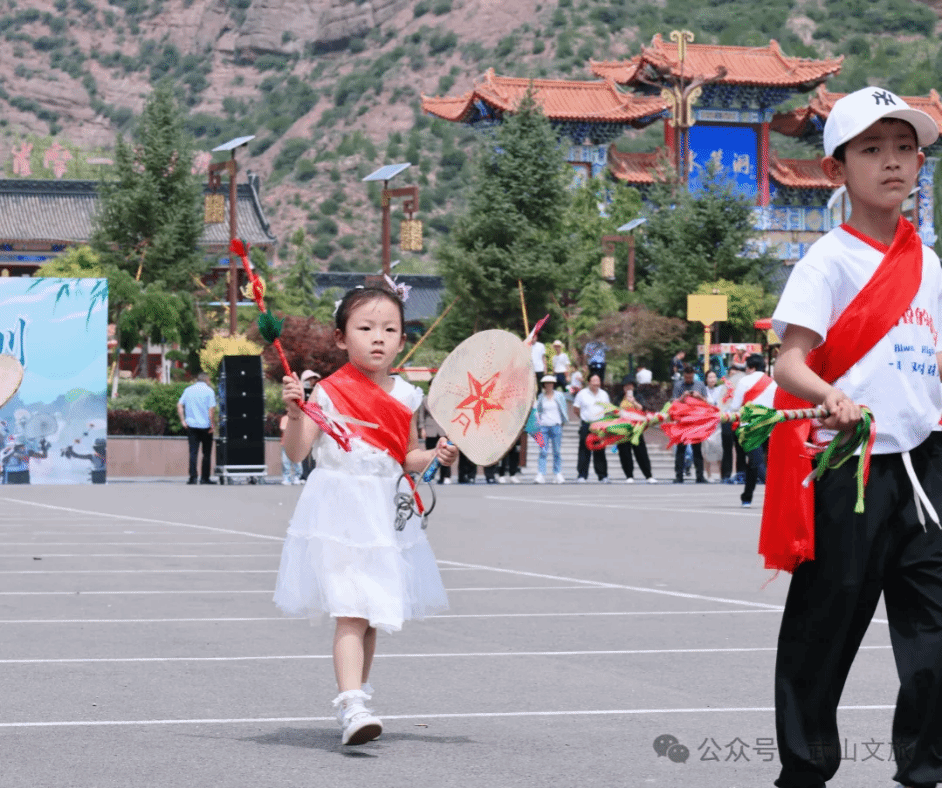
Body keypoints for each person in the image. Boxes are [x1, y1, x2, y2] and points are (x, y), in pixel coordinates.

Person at [761, 87, 942, 788]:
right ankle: (805, 769)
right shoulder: (827, 261)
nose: (892, 162)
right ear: (837, 170)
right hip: (849, 464)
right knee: (825, 624)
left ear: (919, 163)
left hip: (925, 467)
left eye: (904, 148)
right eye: (872, 149)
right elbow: (789, 362)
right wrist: (828, 395)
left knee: (934, 629)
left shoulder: (930, 265)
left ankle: (924, 767)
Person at [274, 286, 458, 747]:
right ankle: (352, 704)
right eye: (366, 328)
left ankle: (358, 696)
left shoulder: (408, 396)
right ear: (341, 338)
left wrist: (436, 454)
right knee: (352, 611)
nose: (379, 338)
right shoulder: (328, 391)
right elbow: (296, 452)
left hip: (384, 511)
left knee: (371, 612)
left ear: (402, 340)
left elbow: (408, 456)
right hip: (339, 512)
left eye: (390, 329)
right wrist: (295, 411)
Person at [728, 354, 776, 507]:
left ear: (751, 367)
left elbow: (735, 406)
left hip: (750, 427)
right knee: (754, 463)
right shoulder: (773, 382)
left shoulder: (744, 381)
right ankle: (746, 497)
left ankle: (775, 493)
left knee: (757, 462)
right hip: (769, 427)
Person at [176, 372, 217, 485]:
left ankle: (193, 478)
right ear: (206, 380)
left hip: (192, 426)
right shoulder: (209, 391)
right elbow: (211, 411)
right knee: (206, 453)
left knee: (193, 452)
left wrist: (183, 420)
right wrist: (212, 425)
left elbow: (179, 405)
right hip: (205, 426)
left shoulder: (188, 390)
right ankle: (205, 478)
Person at [671, 365, 708, 484]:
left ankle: (700, 476)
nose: (688, 379)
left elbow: (707, 402)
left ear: (693, 375)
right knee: (680, 449)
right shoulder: (678, 385)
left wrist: (699, 396)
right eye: (686, 377)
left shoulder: (700, 385)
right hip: (682, 421)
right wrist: (682, 397)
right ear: (683, 376)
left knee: (697, 449)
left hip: (696, 420)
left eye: (690, 377)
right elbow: (673, 402)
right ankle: (679, 476)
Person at [616, 378, 656, 484]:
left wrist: (633, 401)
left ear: (633, 387)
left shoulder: (638, 396)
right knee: (624, 453)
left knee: (641, 452)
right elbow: (614, 410)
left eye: (630, 386)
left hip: (636, 429)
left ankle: (648, 475)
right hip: (623, 429)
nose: (628, 388)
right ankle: (629, 475)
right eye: (626, 386)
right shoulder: (619, 397)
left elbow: (643, 409)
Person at [573, 373, 610, 482]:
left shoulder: (604, 394)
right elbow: (576, 409)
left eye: (598, 381)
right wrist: (584, 418)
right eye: (593, 381)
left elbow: (608, 409)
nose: (596, 383)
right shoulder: (582, 394)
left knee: (600, 450)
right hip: (587, 424)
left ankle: (602, 475)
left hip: (600, 425)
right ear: (589, 382)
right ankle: (582, 475)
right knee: (584, 450)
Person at [534, 374, 568, 484]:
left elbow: (563, 409)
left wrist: (562, 422)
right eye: (547, 384)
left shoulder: (559, 396)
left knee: (557, 451)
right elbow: (538, 411)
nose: (549, 385)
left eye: (551, 383)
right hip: (544, 426)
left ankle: (558, 473)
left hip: (556, 425)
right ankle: (541, 474)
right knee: (543, 451)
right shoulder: (541, 397)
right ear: (544, 385)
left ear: (554, 385)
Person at [418, 390, 451, 485]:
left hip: (442, 430)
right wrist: (422, 428)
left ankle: (445, 476)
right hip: (430, 429)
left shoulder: (446, 399)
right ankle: (429, 476)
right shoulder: (425, 400)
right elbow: (421, 415)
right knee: (431, 455)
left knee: (445, 453)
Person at [701, 370, 724, 482]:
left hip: (717, 423)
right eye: (710, 377)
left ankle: (720, 474)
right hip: (706, 423)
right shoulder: (703, 390)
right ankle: (708, 474)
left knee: (719, 448)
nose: (712, 379)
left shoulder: (720, 389)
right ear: (706, 379)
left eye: (714, 377)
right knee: (706, 448)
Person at [279, 413, 304, 485]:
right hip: (286, 443)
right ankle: (287, 478)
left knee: (297, 462)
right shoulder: (285, 418)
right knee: (285, 461)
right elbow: (283, 428)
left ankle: (297, 477)